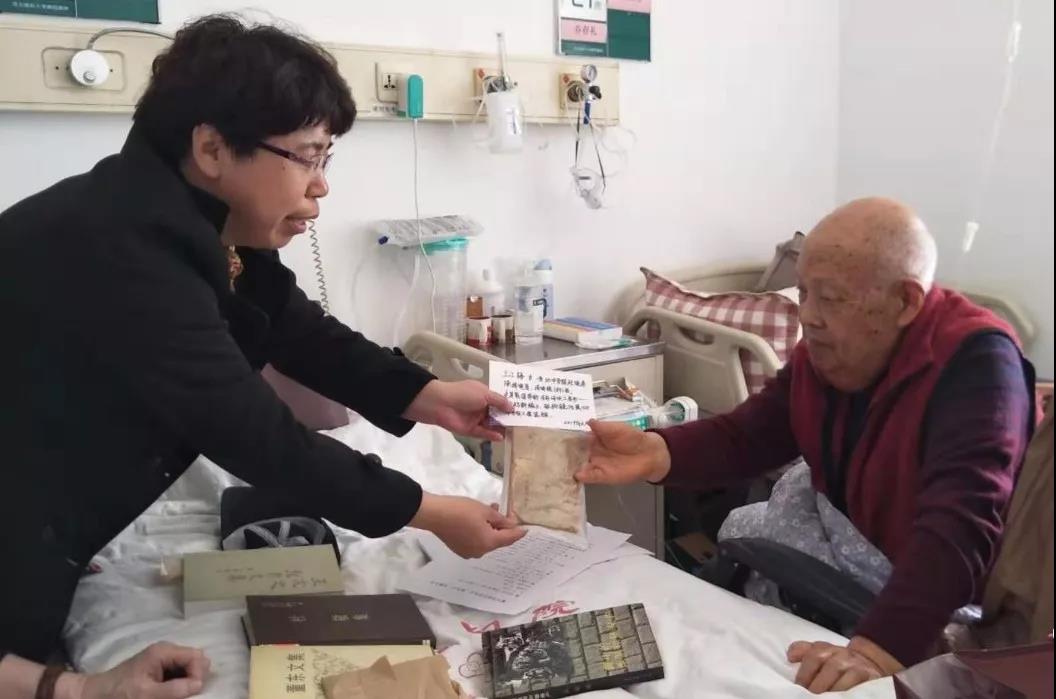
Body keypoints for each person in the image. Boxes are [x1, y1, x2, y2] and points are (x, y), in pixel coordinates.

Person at [0, 15, 522, 698]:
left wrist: (427, 395)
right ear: (212, 148)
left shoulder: (188, 220)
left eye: (327, 158)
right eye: (308, 156)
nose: (321, 186)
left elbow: (294, 326)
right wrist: (429, 509)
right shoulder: (121, 253)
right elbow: (259, 437)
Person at [577, 198, 1036, 693]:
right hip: (853, 545)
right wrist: (658, 452)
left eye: (831, 298)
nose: (808, 317)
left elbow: (961, 529)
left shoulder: (979, 367)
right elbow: (753, 433)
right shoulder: (836, 346)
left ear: (905, 302)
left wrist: (876, 652)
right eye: (804, 293)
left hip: (932, 585)